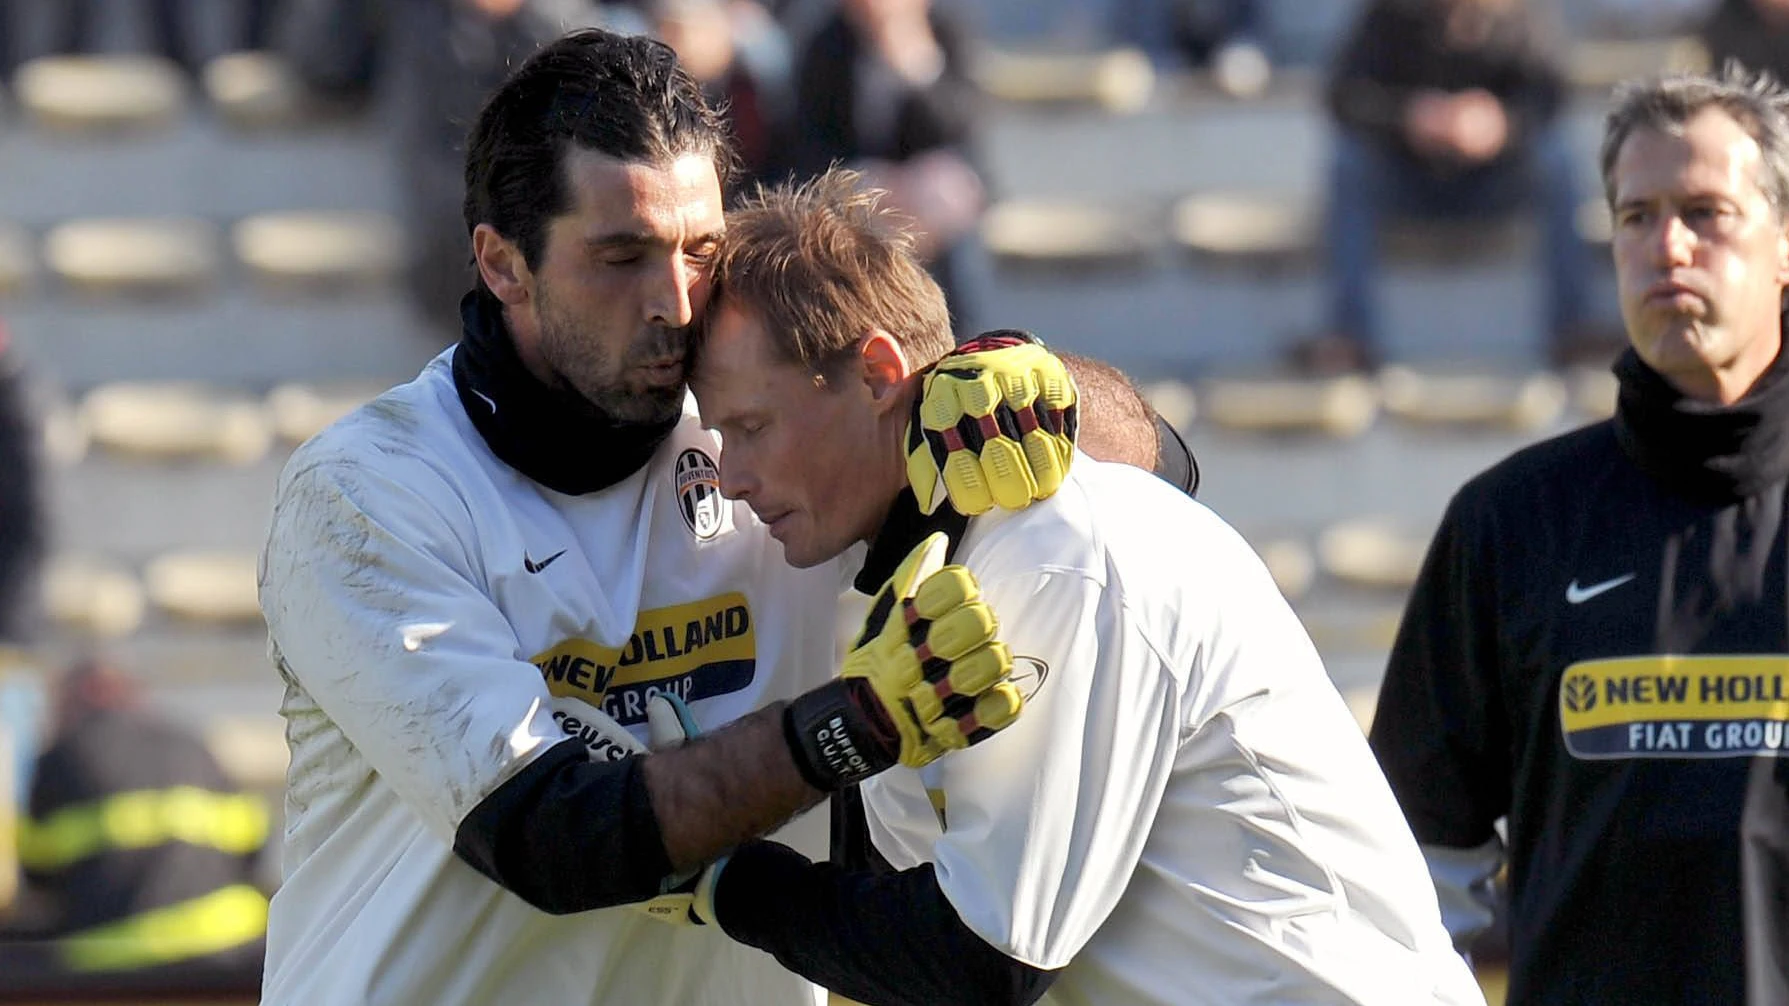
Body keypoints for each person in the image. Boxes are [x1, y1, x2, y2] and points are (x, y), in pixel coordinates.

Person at [257, 27, 1076, 1006]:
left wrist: (1035, 381)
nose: (675, 303)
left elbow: (1144, 460)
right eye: (621, 256)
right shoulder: (369, 490)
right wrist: (850, 724)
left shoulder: (762, 430)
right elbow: (550, 833)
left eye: (698, 250)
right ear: (502, 263)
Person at [674, 168, 1485, 1006]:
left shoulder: (1049, 550)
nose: (728, 476)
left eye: (751, 427)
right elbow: (893, 903)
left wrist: (721, 878)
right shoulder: (930, 569)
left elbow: (988, 960)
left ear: (880, 374)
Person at [1369, 64, 1789, 1005]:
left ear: (1783, 245)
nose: (1667, 247)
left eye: (1705, 212)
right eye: (1635, 216)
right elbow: (1411, 870)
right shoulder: (1509, 523)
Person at [1314, 0, 1601, 374]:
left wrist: (1500, 125)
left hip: (1491, 186)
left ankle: (1572, 327)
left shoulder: (1520, 19)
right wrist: (1410, 117)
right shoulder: (1389, 15)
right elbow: (1343, 95)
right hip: (1409, 185)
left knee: (1556, 161)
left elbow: (1549, 96)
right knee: (1348, 166)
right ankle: (1349, 335)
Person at [0, 658, 269, 998]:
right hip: (233, 952)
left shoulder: (60, 758)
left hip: (113, 962)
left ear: (71, 702)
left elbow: (37, 872)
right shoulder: (192, 743)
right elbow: (255, 845)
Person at [789, 0, 986, 333]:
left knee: (945, 198)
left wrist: (918, 70)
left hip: (931, 184)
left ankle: (960, 326)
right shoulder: (827, 44)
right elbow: (810, 138)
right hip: (861, 176)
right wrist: (870, 176)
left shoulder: (946, 31)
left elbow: (958, 127)